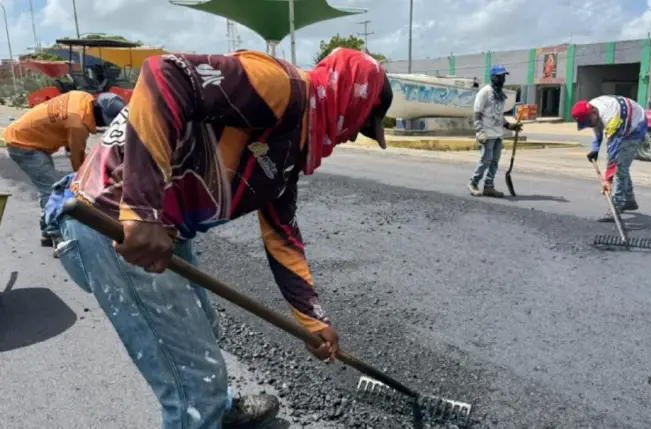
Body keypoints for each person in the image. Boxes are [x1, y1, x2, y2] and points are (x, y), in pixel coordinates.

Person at [44, 48, 393, 429]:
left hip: (160, 235)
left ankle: (220, 412)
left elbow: (282, 236)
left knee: (205, 330)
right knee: (192, 382)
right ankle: (204, 413)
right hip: (113, 228)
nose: (350, 138)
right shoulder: (283, 88)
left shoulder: (293, 143)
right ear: (354, 101)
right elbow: (164, 75)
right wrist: (141, 209)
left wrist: (313, 320)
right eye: (360, 126)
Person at [3, 90, 125, 247]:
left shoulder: (82, 98)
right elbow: (77, 158)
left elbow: (68, 135)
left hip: (28, 138)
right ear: (99, 112)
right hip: (23, 144)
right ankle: (57, 236)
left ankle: (47, 231)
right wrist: (83, 183)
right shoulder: (78, 124)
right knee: (52, 189)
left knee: (48, 186)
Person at [571, 96, 648, 221]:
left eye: (589, 122)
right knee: (622, 166)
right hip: (624, 119)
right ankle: (629, 200)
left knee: (619, 167)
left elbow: (613, 153)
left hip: (636, 126)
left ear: (594, 113)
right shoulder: (591, 108)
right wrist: (595, 149)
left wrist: (608, 180)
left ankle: (615, 208)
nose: (589, 125)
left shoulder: (611, 117)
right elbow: (596, 129)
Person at [468, 65, 523, 197]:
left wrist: (509, 126)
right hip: (486, 133)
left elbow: (499, 114)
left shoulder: (500, 95)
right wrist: (479, 131)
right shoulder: (484, 92)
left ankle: (489, 186)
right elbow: (477, 113)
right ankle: (473, 183)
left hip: (498, 133)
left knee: (494, 161)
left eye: (503, 77)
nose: (502, 79)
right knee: (486, 160)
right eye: (500, 76)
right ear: (493, 77)